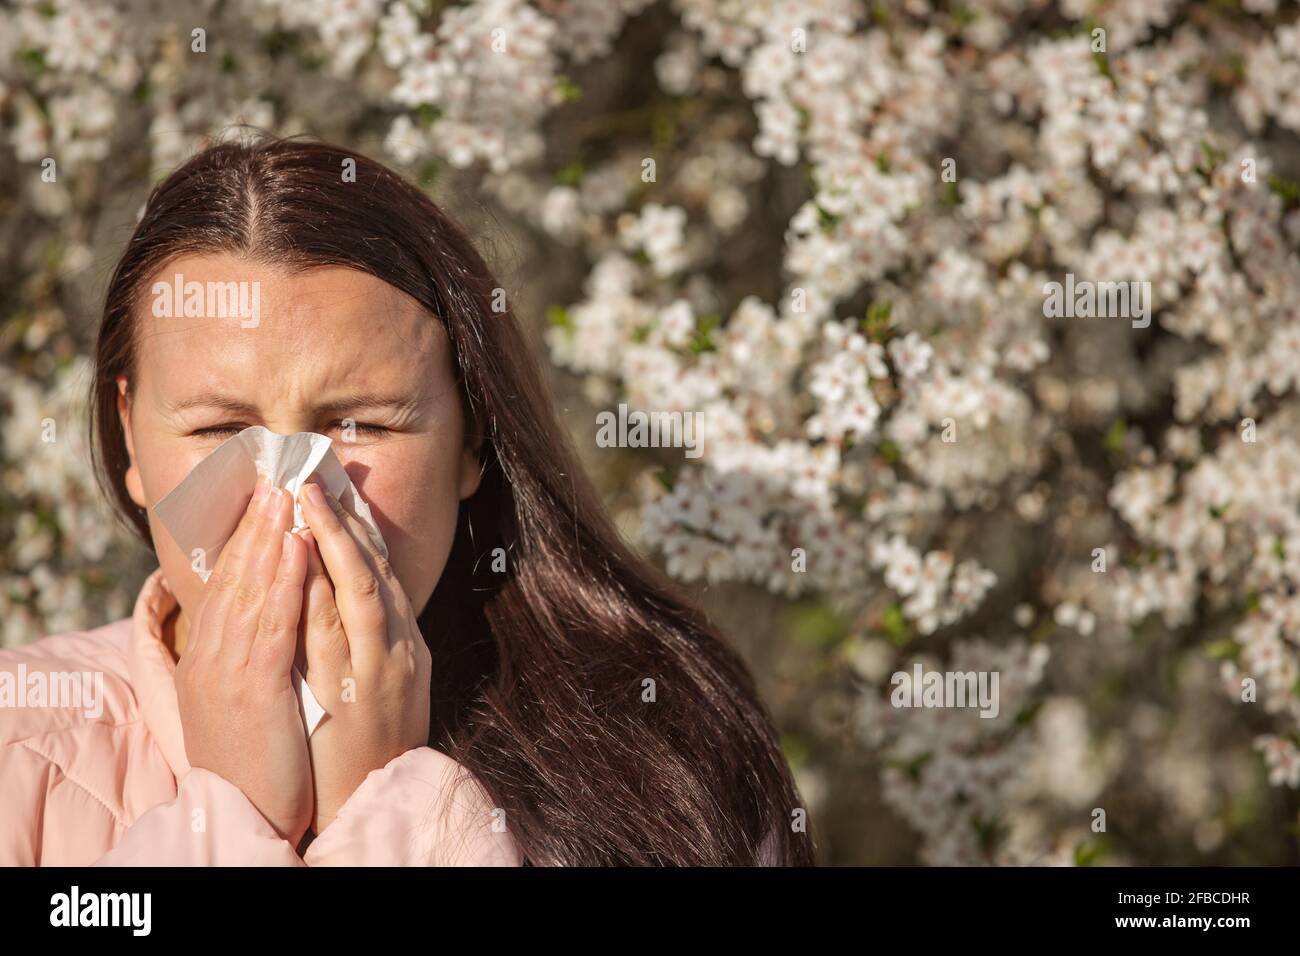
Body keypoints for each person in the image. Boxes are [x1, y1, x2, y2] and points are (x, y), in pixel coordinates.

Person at [0, 136, 814, 866]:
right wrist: (231, 820)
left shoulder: (663, 748)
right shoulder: (20, 749)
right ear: (130, 437)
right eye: (221, 428)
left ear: (470, 439)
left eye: (359, 423)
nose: (289, 491)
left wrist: (386, 811)